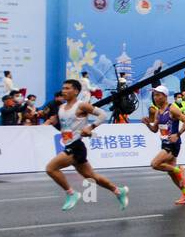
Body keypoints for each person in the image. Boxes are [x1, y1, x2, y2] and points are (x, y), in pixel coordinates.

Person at [44, 79, 129, 212]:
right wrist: (53, 123)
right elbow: (64, 129)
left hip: (77, 146)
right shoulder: (61, 108)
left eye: (67, 88)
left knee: (50, 168)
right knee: (92, 177)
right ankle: (119, 191)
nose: (64, 91)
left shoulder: (81, 105)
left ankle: (72, 193)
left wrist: (90, 127)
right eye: (63, 88)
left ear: (76, 91)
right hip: (68, 144)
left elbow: (102, 114)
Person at [142, 85, 185, 205]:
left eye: (157, 95)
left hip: (173, 144)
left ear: (165, 96)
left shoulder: (172, 109)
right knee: (171, 173)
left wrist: (178, 134)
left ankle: (180, 170)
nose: (155, 97)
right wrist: (147, 124)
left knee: (155, 164)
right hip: (164, 143)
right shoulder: (157, 112)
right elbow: (155, 130)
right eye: (154, 95)